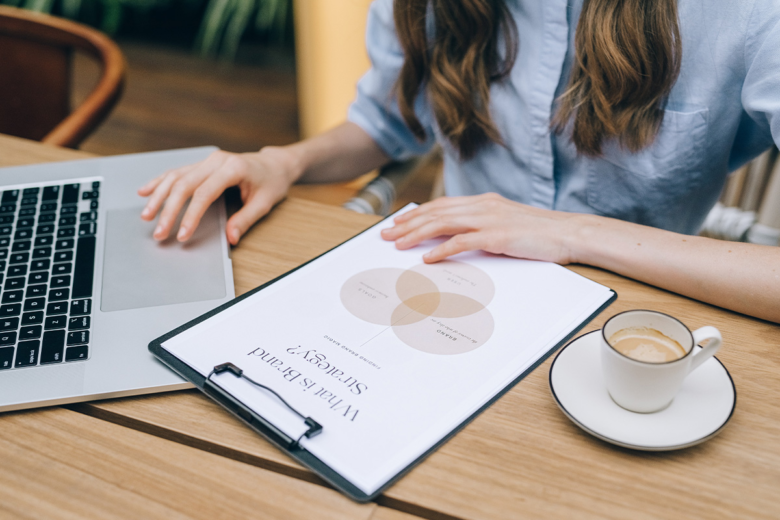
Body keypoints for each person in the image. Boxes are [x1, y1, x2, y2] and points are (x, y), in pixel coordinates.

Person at [138, 0, 780, 323]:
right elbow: (391, 120)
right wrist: (284, 161)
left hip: (640, 307)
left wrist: (572, 234)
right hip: (453, 279)